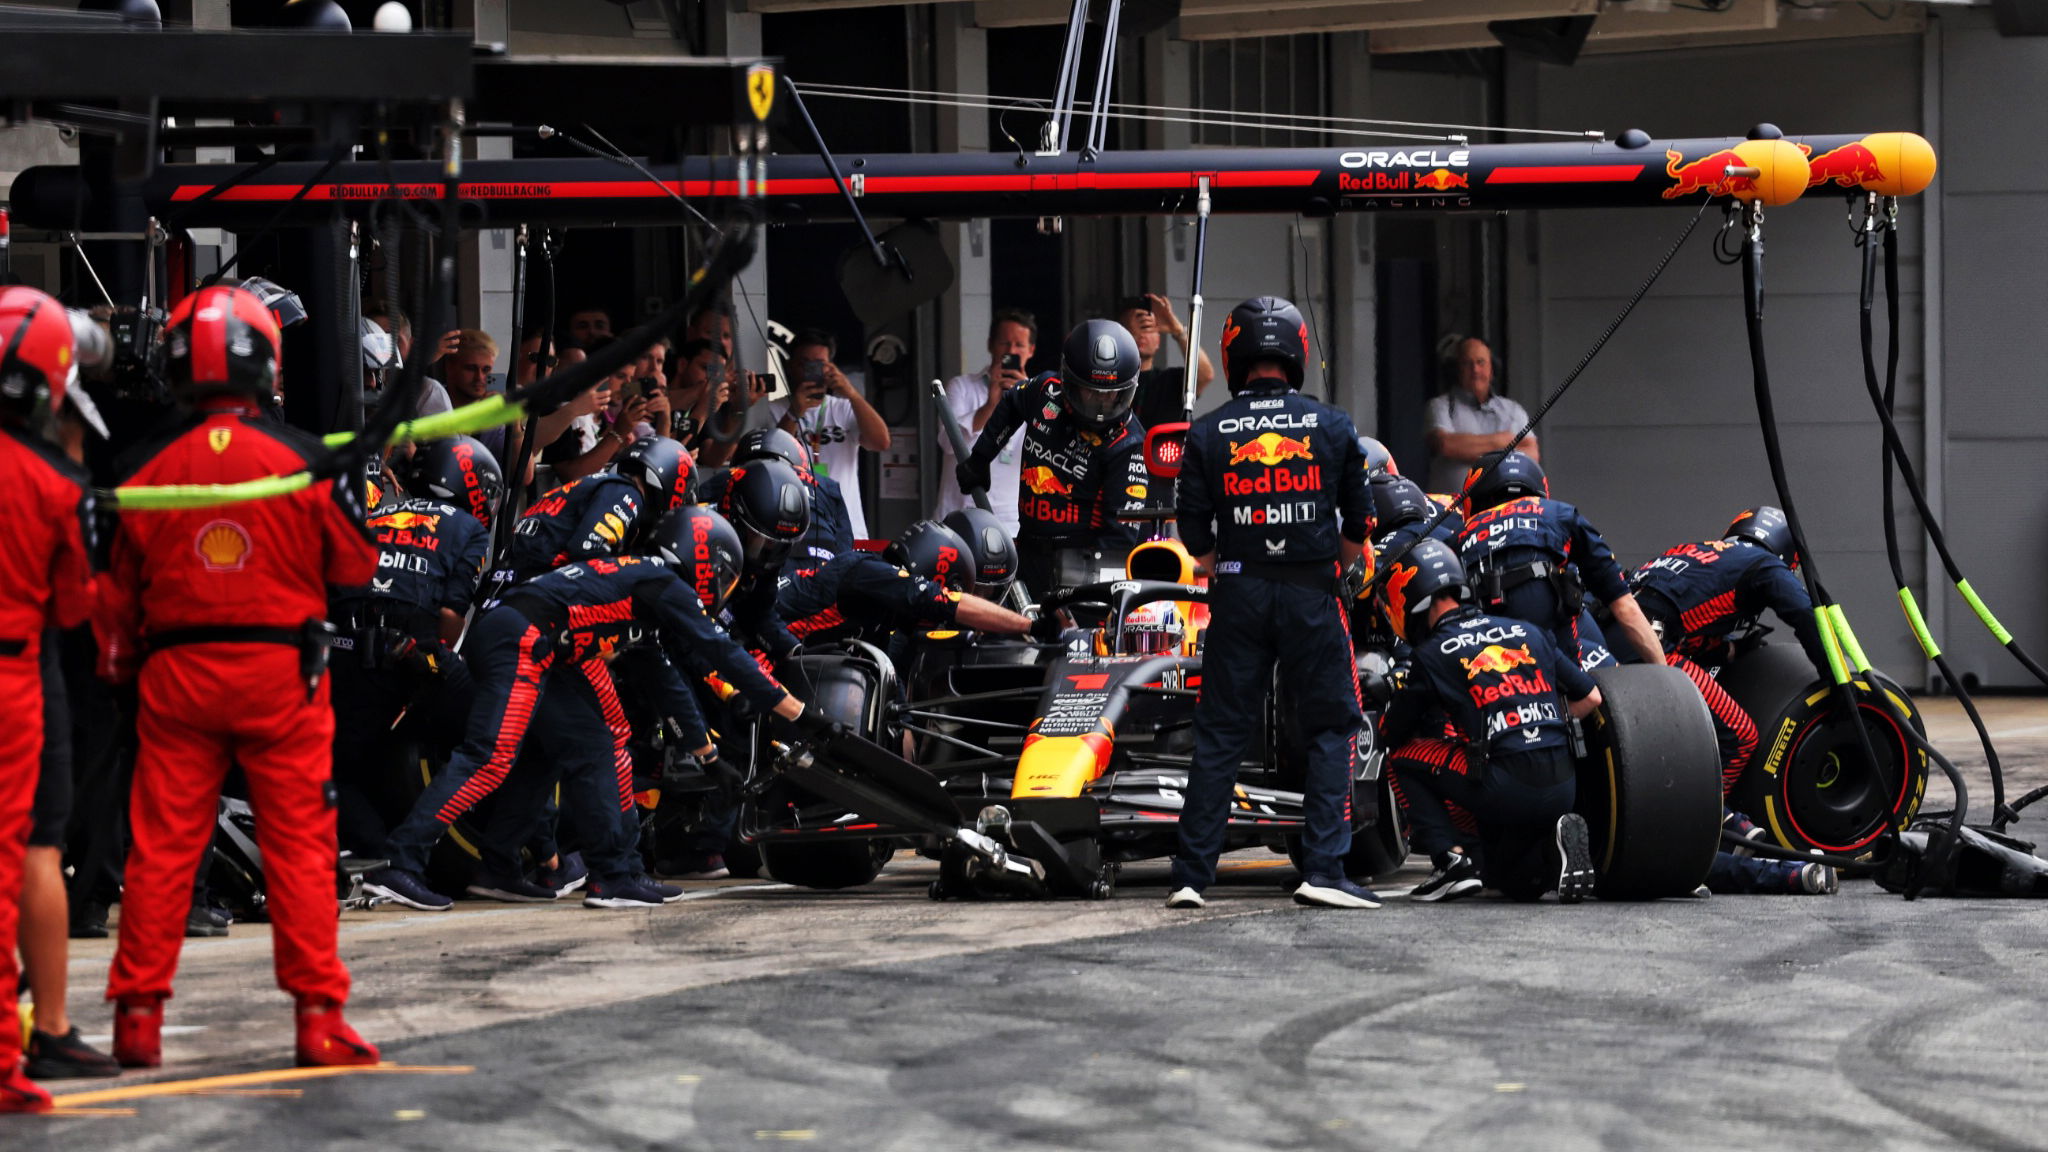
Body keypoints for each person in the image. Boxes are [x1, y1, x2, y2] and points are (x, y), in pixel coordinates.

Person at [95, 283, 380, 1070]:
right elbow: (355, 564)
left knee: (160, 852)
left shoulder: (142, 467)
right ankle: (319, 1020)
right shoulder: (304, 459)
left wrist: (121, 671)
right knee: (299, 846)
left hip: (175, 677)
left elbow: (113, 601)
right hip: (280, 675)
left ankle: (137, 1023)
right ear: (266, 361)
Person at [362, 507, 811, 911]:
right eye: (720, 574)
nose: (718, 587)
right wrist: (794, 710)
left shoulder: (643, 585)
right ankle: (401, 864)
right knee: (489, 757)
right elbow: (718, 649)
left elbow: (667, 683)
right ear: (703, 557)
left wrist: (708, 759)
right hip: (523, 640)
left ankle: (522, 868)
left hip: (528, 640)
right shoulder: (662, 582)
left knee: (577, 746)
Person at [1166, 295, 1378, 911]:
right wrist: (1338, 562)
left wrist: (1235, 562)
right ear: (1296, 353)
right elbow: (1360, 525)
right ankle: (1325, 870)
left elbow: (1195, 539)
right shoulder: (1334, 425)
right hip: (1313, 592)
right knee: (1332, 726)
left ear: (1233, 355)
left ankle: (1190, 876)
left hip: (1237, 590)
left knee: (1220, 734)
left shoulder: (1207, 432)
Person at [0, 287, 103, 1110]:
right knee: (29, 848)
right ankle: (32, 1039)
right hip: (15, 679)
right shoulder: (51, 478)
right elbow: (76, 608)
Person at [1628, 506, 1839, 896]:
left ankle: (1713, 817)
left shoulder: (1689, 550)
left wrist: (1728, 651)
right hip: (1653, 657)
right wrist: (1838, 681)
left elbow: (1672, 611)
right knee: (1740, 733)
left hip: (1609, 652)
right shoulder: (1762, 564)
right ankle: (1709, 822)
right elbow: (1806, 616)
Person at [1376, 539, 1602, 904]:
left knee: (1401, 758)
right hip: (1563, 783)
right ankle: (1553, 846)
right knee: (1510, 882)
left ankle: (1449, 862)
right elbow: (1591, 697)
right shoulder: (1528, 631)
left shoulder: (1433, 653)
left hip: (1505, 785)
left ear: (1409, 597)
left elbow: (1392, 734)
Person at [327, 437, 500, 858]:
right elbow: (450, 614)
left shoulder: (379, 508)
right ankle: (407, 855)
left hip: (340, 647)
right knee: (492, 735)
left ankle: (374, 849)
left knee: (338, 770)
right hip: (406, 652)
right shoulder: (469, 528)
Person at [955, 320, 1153, 598]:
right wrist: (980, 458)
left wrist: (1083, 592)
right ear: (1067, 379)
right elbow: (1013, 402)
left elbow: (1119, 539)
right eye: (1090, 392)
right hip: (1026, 549)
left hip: (1082, 565)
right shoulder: (1047, 390)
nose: (1099, 405)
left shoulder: (1129, 445)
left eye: (1111, 396)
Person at [1456, 450, 1664, 672]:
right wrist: (1670, 685)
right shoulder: (1561, 514)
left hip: (1488, 663)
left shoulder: (1457, 536)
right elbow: (1626, 607)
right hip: (1559, 658)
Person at [769, 328, 889, 539]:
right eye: (804, 363)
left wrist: (851, 393)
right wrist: (794, 412)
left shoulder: (844, 408)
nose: (811, 370)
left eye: (819, 364)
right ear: (790, 367)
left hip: (846, 529)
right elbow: (772, 457)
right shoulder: (774, 410)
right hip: (795, 528)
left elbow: (881, 442)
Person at [935, 309, 1036, 532]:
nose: (1011, 350)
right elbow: (947, 443)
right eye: (1004, 343)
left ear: (1031, 351)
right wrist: (991, 405)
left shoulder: (1037, 396)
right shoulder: (961, 386)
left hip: (1011, 521)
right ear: (991, 345)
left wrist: (1026, 397)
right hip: (957, 515)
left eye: (1019, 345)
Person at [1425, 336, 1535, 494]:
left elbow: (1531, 455)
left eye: (1480, 362)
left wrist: (1470, 448)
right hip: (1453, 513)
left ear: (1492, 369)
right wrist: (1503, 441)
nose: (1475, 370)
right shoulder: (1439, 406)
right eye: (1467, 363)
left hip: (1501, 513)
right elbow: (1446, 445)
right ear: (1456, 370)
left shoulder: (1513, 410)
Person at [1116, 293, 1215, 428]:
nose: (1142, 336)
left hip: (1161, 447)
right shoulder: (1112, 380)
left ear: (1158, 341)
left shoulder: (1170, 380)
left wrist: (1178, 331)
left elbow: (1205, 375)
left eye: (1149, 328)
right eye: (1135, 329)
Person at [443, 330, 519, 466]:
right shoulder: (431, 402)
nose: (479, 378)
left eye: (486, 370)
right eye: (471, 368)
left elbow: (525, 476)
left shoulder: (495, 419)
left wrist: (514, 423)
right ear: (450, 367)